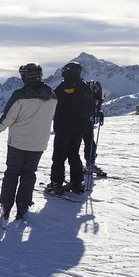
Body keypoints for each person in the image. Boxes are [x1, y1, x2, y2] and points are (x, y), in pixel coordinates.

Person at [0, 63, 57, 221]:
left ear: (26, 76)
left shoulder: (20, 94)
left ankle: (6, 204)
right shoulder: (52, 95)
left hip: (18, 143)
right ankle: (23, 205)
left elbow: (8, 118)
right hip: (39, 143)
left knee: (12, 173)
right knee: (29, 174)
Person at [47, 61, 95, 195]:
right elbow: (91, 109)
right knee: (74, 154)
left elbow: (52, 104)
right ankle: (77, 182)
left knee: (59, 156)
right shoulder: (85, 87)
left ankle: (56, 183)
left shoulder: (63, 87)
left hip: (63, 127)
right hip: (80, 128)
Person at [82, 80, 106, 178]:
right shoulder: (90, 96)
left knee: (90, 144)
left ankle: (89, 164)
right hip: (81, 122)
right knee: (89, 144)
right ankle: (88, 164)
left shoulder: (90, 95)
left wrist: (97, 112)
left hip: (85, 123)